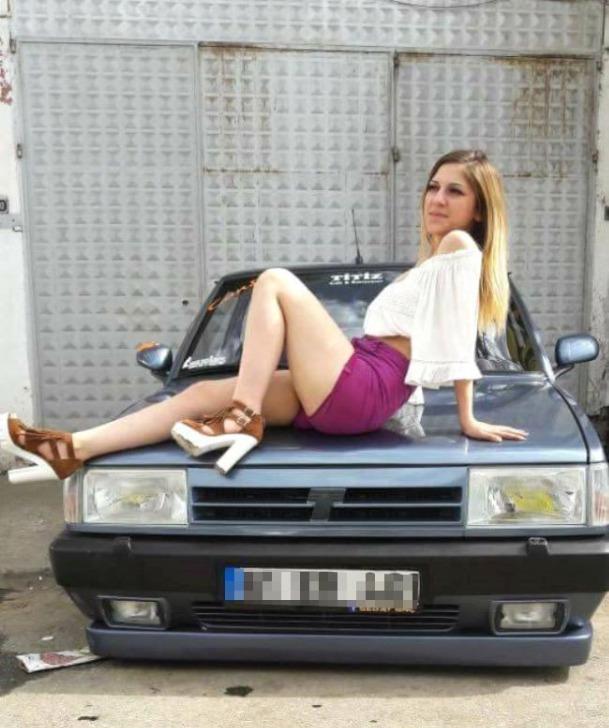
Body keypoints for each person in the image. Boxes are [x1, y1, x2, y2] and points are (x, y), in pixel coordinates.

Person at [1, 147, 527, 483]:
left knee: (275, 280)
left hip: (366, 382)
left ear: (479, 209)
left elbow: (456, 337)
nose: (437, 199)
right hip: (356, 389)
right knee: (202, 394)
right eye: (433, 186)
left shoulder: (459, 246)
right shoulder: (437, 259)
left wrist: (468, 420)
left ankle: (241, 418)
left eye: (454, 191)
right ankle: (71, 447)